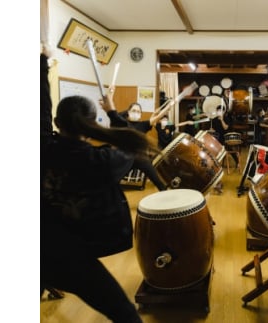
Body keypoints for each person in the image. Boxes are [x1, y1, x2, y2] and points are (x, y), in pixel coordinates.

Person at [40, 50, 144, 323]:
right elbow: (130, 142)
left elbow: (40, 110)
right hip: (73, 257)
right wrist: (113, 111)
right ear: (91, 122)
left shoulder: (42, 147)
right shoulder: (101, 161)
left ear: (57, 123)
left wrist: (41, 63)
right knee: (126, 316)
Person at [105, 101, 170, 191]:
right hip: (124, 157)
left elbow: (157, 117)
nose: (136, 113)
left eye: (138, 111)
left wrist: (168, 107)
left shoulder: (143, 124)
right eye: (134, 110)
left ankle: (165, 195)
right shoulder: (122, 123)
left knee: (157, 180)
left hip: (140, 158)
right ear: (128, 111)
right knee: (111, 181)